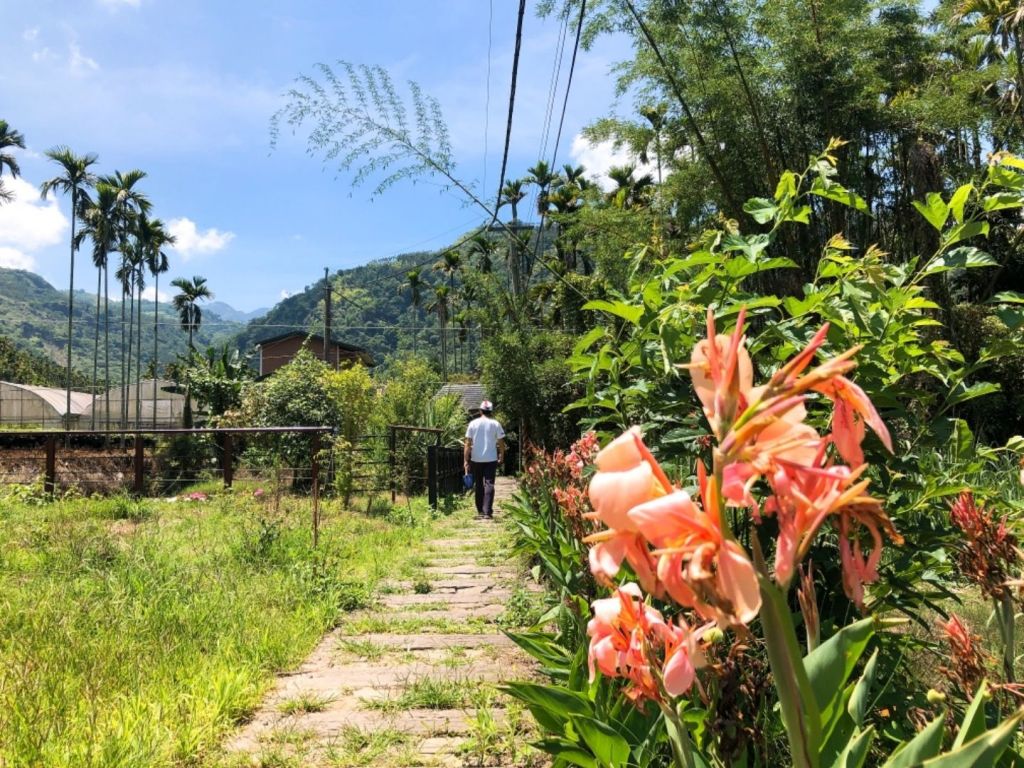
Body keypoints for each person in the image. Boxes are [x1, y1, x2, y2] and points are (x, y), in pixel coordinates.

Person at [464, 400, 505, 520]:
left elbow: (467, 443)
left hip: (476, 458)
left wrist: (466, 459)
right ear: (491, 411)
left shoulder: (473, 423)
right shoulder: (496, 424)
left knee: (479, 484)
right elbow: (501, 442)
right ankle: (487, 512)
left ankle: (480, 510)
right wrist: (501, 455)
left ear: (480, 410)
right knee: (489, 483)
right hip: (491, 458)